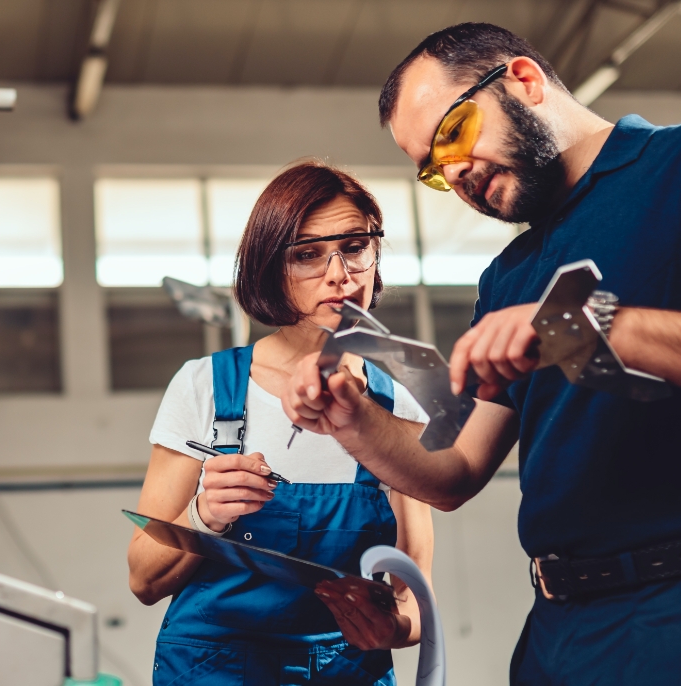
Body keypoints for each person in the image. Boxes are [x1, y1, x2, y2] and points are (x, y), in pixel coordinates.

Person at [283, 22, 681, 685]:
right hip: (560, 627)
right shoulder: (508, 277)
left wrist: (600, 322)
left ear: (523, 80)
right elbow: (457, 467)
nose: (454, 172)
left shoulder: (671, 171)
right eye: (434, 171)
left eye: (453, 134)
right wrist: (350, 418)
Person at [128, 161, 434, 685]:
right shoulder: (205, 387)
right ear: (271, 267)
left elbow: (415, 599)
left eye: (355, 247)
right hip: (213, 672)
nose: (338, 274)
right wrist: (203, 515)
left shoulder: (400, 408)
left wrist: (393, 628)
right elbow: (143, 578)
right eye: (308, 255)